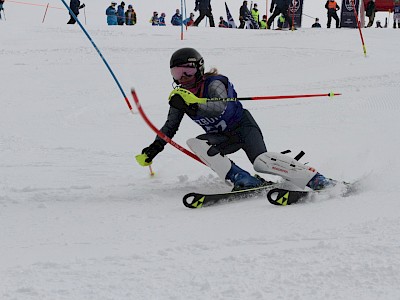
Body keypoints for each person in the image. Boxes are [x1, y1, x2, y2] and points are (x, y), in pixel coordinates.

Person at [136, 48, 336, 192]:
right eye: (177, 73)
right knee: (195, 143)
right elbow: (170, 126)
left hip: (243, 128)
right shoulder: (180, 96)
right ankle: (243, 180)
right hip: (222, 137)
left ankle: (315, 179)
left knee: (261, 162)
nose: (183, 78)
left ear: (199, 68)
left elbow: (218, 107)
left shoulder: (215, 82)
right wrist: (155, 148)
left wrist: (193, 104)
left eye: (187, 71)